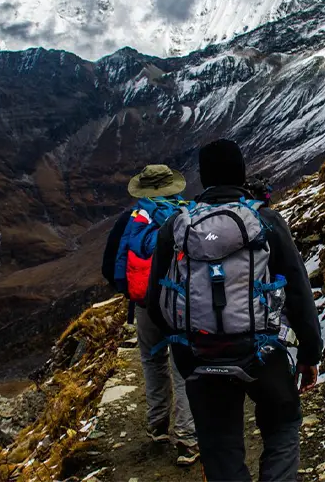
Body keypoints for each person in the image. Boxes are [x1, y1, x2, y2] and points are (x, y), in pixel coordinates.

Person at [146, 140, 323, 482]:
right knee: (283, 427)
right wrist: (309, 352)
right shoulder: (266, 220)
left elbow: (156, 302)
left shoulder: (177, 226)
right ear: (241, 174)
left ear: (204, 177)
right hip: (263, 353)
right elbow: (299, 291)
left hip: (201, 355)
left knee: (220, 449)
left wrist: (186, 351)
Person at [101, 164, 200, 466]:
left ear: (142, 190)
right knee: (183, 366)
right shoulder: (189, 215)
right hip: (182, 305)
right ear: (174, 187)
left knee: (152, 360)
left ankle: (158, 425)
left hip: (145, 304)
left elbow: (109, 267)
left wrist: (134, 292)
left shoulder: (130, 220)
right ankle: (187, 438)